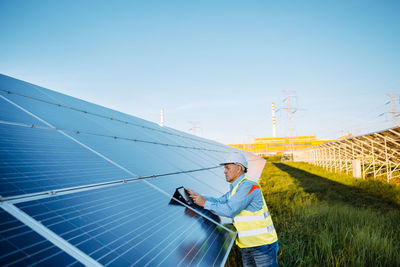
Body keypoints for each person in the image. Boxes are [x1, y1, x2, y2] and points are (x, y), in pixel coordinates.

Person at [187, 152, 279, 267]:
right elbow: (219, 201)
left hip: (263, 245)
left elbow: (230, 210)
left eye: (227, 168)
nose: (224, 171)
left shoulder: (249, 186)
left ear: (238, 168)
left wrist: (204, 203)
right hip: (247, 245)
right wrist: (198, 197)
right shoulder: (236, 189)